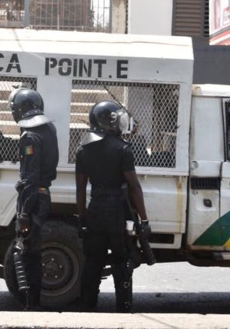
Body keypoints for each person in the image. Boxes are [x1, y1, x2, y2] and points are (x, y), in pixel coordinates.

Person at [75, 100, 150, 313]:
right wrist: (144, 220)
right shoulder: (122, 149)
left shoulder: (83, 150)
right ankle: (123, 307)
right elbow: (134, 187)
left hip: (95, 209)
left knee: (93, 261)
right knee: (122, 260)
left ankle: (87, 306)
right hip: (118, 210)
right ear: (110, 122)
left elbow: (80, 190)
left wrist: (82, 219)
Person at [8, 87, 59, 310]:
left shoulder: (29, 136)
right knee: (31, 251)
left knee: (26, 253)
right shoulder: (49, 129)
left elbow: (29, 177)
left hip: (33, 200)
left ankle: (32, 304)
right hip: (43, 194)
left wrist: (24, 214)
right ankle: (33, 302)